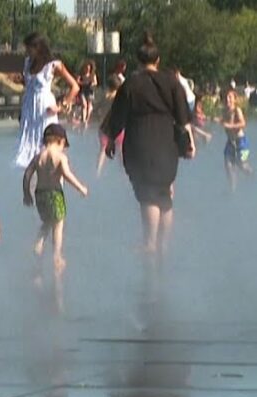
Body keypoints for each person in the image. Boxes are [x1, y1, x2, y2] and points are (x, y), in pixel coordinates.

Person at [103, 33, 195, 262]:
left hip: (140, 142)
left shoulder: (131, 84)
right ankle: (164, 245)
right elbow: (184, 118)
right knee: (164, 194)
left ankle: (150, 243)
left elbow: (117, 118)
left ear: (138, 60)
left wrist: (111, 141)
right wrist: (189, 144)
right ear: (158, 59)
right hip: (167, 141)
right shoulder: (172, 82)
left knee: (147, 195)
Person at [22, 124, 89, 277]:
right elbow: (66, 174)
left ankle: (38, 244)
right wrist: (80, 187)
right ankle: (57, 256)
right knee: (58, 224)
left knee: (47, 222)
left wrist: (26, 193)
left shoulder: (38, 156)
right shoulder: (59, 157)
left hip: (40, 194)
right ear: (61, 141)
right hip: (55, 194)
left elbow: (27, 175)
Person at [13, 33, 79, 171]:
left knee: (45, 140)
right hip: (29, 107)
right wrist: (22, 81)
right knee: (27, 143)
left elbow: (74, 86)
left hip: (44, 107)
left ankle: (50, 172)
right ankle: (30, 177)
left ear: (38, 47)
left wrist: (62, 105)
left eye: (29, 48)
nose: (27, 52)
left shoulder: (53, 65)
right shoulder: (28, 63)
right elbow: (32, 84)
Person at [222, 88, 252, 192]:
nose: (227, 100)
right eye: (226, 97)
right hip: (230, 143)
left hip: (242, 143)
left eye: (230, 97)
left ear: (235, 99)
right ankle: (232, 190)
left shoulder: (237, 110)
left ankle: (253, 178)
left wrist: (230, 125)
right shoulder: (224, 110)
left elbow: (243, 123)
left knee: (242, 165)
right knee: (228, 166)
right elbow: (222, 121)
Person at [76, 60, 98, 129]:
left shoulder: (92, 75)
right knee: (84, 105)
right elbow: (77, 81)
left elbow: (95, 83)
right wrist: (83, 83)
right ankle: (83, 119)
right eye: (86, 68)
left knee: (89, 105)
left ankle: (87, 119)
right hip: (82, 90)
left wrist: (91, 84)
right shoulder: (81, 75)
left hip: (90, 91)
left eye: (88, 68)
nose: (87, 69)